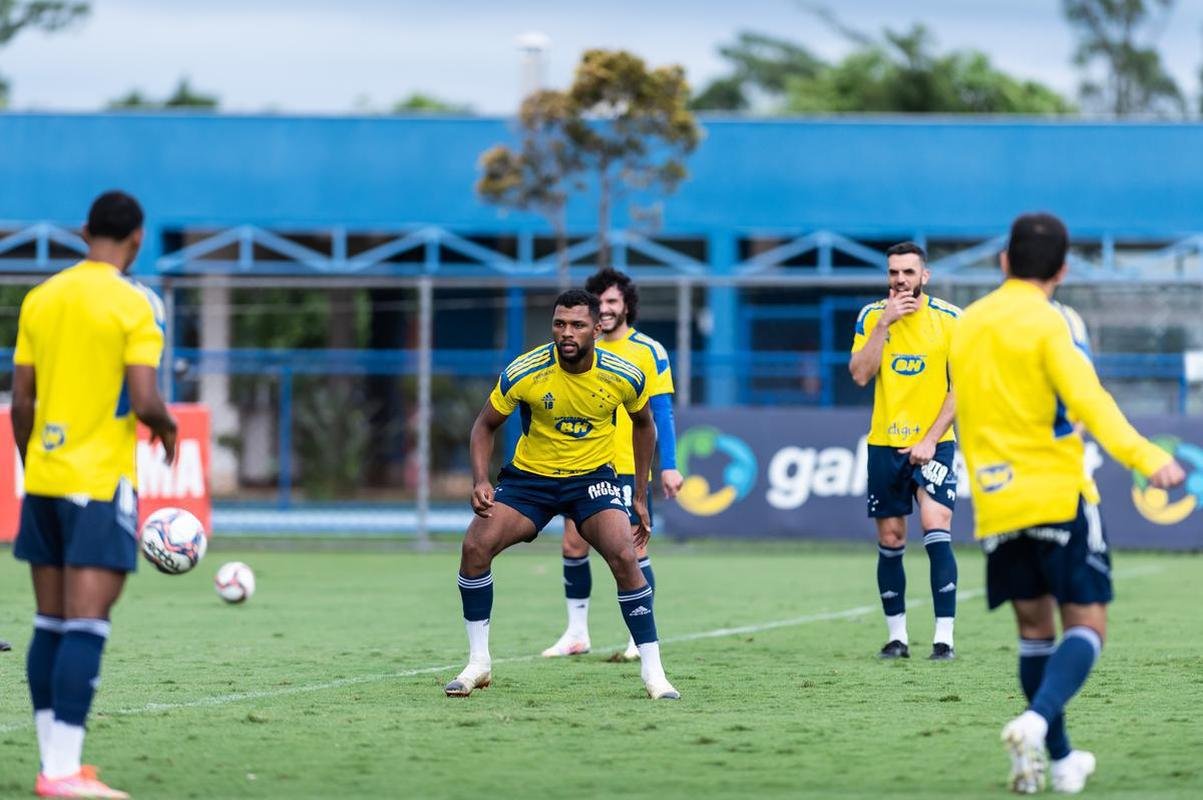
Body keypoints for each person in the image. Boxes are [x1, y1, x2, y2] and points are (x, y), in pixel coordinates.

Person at [949, 212, 1185, 794]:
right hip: (1057, 494)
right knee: (1088, 625)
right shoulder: (1050, 324)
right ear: (1063, 269)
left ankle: (1056, 762)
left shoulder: (967, 325)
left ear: (1003, 261)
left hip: (996, 503)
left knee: (1034, 633)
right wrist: (1149, 458)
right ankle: (1033, 723)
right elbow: (1092, 403)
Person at [11, 190, 177, 800]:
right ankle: (60, 773)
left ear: (85, 233)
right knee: (87, 623)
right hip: (98, 482)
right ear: (136, 239)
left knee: (48, 621)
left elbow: (21, 401)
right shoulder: (136, 304)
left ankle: (56, 765)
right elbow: (145, 395)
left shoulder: (40, 297)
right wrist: (167, 426)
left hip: (46, 480)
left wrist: (33, 468)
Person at [444, 289, 679, 700]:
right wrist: (481, 480)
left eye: (577, 325)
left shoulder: (623, 374)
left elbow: (646, 425)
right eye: (559, 324)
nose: (566, 332)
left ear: (597, 327)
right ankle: (478, 663)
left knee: (625, 555)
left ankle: (654, 674)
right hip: (529, 481)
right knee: (473, 547)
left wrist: (640, 493)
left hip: (591, 480)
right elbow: (483, 426)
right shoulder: (526, 371)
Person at [542, 268, 682, 662]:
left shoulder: (648, 351)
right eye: (598, 302)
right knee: (572, 543)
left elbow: (661, 413)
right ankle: (576, 633)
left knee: (631, 549)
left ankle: (641, 637)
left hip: (626, 467)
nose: (604, 310)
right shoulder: (579, 350)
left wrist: (668, 465)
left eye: (612, 302)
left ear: (626, 307)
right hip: (581, 464)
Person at [849, 242, 961, 660]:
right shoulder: (870, 316)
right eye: (894, 272)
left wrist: (930, 439)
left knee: (936, 522)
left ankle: (944, 639)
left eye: (908, 273)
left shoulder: (950, 319)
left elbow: (960, 389)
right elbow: (860, 375)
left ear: (924, 277)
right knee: (891, 536)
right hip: (885, 442)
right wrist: (884, 325)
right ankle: (897, 638)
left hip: (935, 443)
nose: (900, 280)